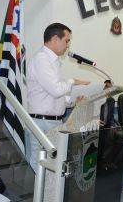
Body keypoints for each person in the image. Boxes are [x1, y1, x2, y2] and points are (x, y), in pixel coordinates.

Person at [26, 23, 90, 173]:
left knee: (51, 165)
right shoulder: (41, 59)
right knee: (40, 163)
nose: (68, 45)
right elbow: (56, 90)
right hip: (42, 122)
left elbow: (53, 94)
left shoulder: (53, 62)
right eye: (67, 40)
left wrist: (73, 101)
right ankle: (38, 196)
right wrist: (73, 81)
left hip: (52, 121)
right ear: (55, 39)